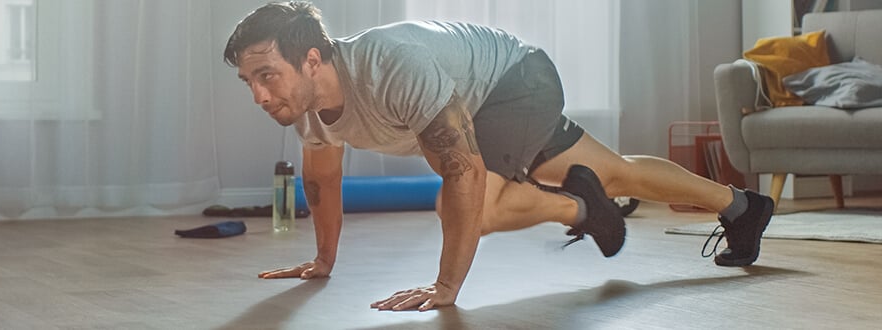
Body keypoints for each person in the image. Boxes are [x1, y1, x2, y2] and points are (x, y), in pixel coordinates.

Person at [223, 1, 774, 312]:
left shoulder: (388, 68)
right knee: (615, 172)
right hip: (485, 93)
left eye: (267, 76)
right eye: (249, 81)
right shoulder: (308, 110)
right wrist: (324, 260)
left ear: (312, 60)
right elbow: (322, 181)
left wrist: (446, 288)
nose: (259, 96)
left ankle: (584, 208)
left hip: (513, 81)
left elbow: (462, 175)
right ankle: (741, 206)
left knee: (467, 206)